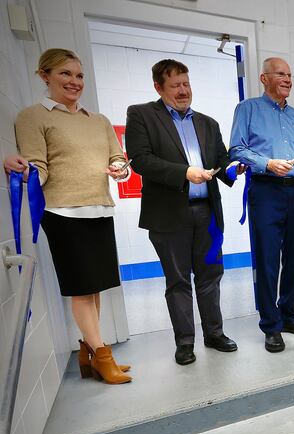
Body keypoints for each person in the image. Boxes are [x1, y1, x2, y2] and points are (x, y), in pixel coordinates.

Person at [14, 48, 131, 383]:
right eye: (65, 74)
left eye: (79, 75)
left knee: (95, 287)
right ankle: (103, 354)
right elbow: (37, 168)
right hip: (62, 211)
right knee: (81, 288)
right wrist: (21, 170)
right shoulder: (33, 116)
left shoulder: (98, 121)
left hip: (99, 207)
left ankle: (90, 353)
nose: (74, 82)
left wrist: (119, 170)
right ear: (44, 76)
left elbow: (118, 159)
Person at [125, 59, 240, 365]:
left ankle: (214, 334)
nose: (183, 90)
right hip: (168, 214)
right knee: (177, 281)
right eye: (175, 85)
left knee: (211, 275)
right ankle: (185, 342)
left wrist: (234, 167)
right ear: (158, 87)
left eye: (186, 83)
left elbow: (222, 160)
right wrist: (185, 173)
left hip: (207, 213)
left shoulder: (207, 122)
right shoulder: (141, 115)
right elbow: (140, 160)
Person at [229, 57, 294, 353]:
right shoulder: (247, 109)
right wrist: (266, 163)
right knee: (267, 261)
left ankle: (289, 315)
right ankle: (271, 325)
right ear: (264, 78)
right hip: (265, 190)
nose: (288, 79)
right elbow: (237, 149)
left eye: (290, 75)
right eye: (281, 74)